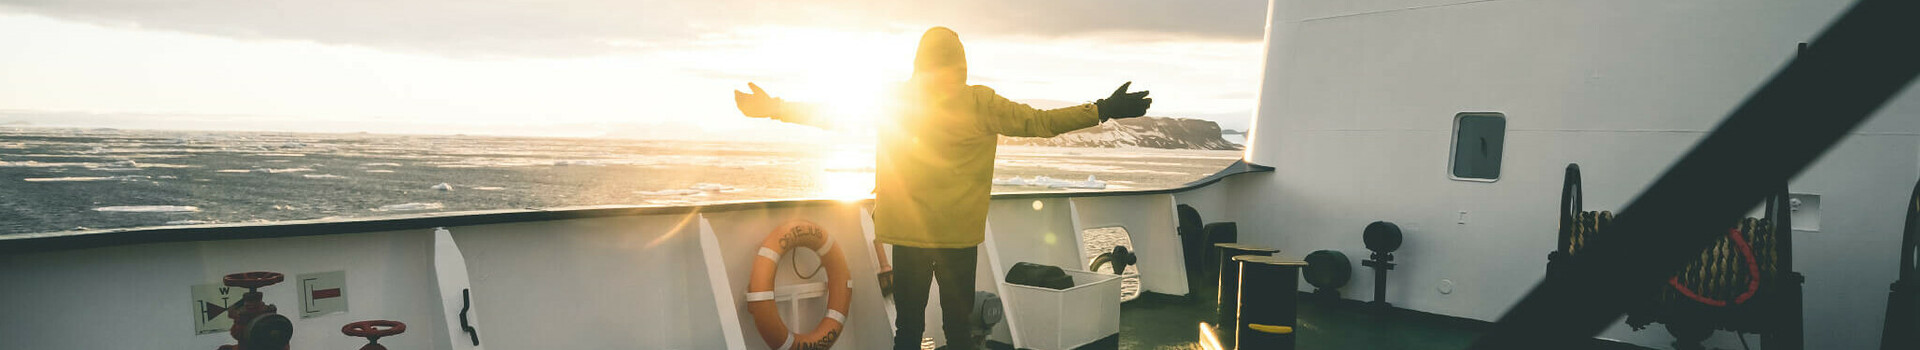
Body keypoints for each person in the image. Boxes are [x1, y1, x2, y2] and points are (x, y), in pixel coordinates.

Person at [732, 26, 1152, 350]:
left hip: (909, 236)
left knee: (909, 325)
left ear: (919, 60)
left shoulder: (896, 99)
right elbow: (1041, 123)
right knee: (957, 323)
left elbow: (828, 113)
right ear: (960, 62)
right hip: (957, 238)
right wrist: (1102, 110)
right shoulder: (980, 103)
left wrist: (774, 108)